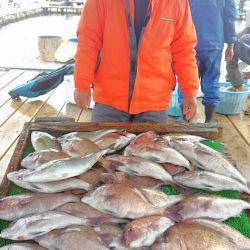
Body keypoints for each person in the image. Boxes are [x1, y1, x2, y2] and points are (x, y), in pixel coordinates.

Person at [74, 0, 199, 123]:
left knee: (154, 144)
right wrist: (82, 84)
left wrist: (190, 90)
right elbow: (88, 43)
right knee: (101, 144)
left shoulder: (177, 2)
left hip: (154, 102)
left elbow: (184, 50)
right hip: (109, 100)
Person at [179, 0, 237, 122]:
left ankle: (185, 120)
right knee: (212, 82)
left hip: (188, 43)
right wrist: (231, 43)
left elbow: (175, 12)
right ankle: (209, 121)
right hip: (214, 42)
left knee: (186, 81)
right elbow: (230, 15)